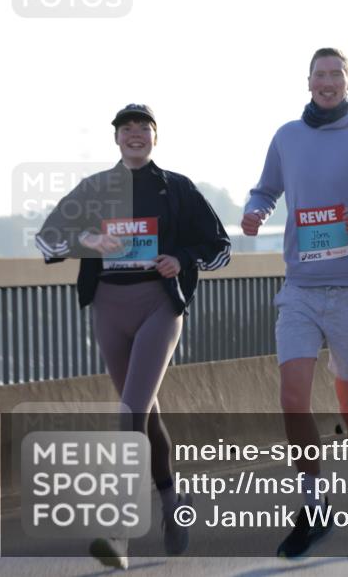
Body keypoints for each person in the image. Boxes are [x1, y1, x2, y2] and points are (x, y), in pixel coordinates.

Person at [35, 103, 231, 569]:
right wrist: (89, 243)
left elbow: (220, 247)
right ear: (117, 139)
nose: (135, 135)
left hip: (159, 307)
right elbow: (46, 240)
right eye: (127, 129)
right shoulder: (95, 188)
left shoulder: (177, 188)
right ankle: (172, 506)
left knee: (131, 413)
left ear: (155, 138)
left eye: (144, 129)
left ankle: (117, 532)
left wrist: (180, 258)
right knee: (146, 415)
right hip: (108, 307)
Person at [242, 48, 348, 559]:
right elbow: (265, 189)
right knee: (293, 400)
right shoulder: (287, 137)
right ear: (308, 81)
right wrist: (253, 211)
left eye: (336, 74)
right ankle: (314, 504)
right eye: (320, 75)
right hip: (300, 288)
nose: (328, 82)